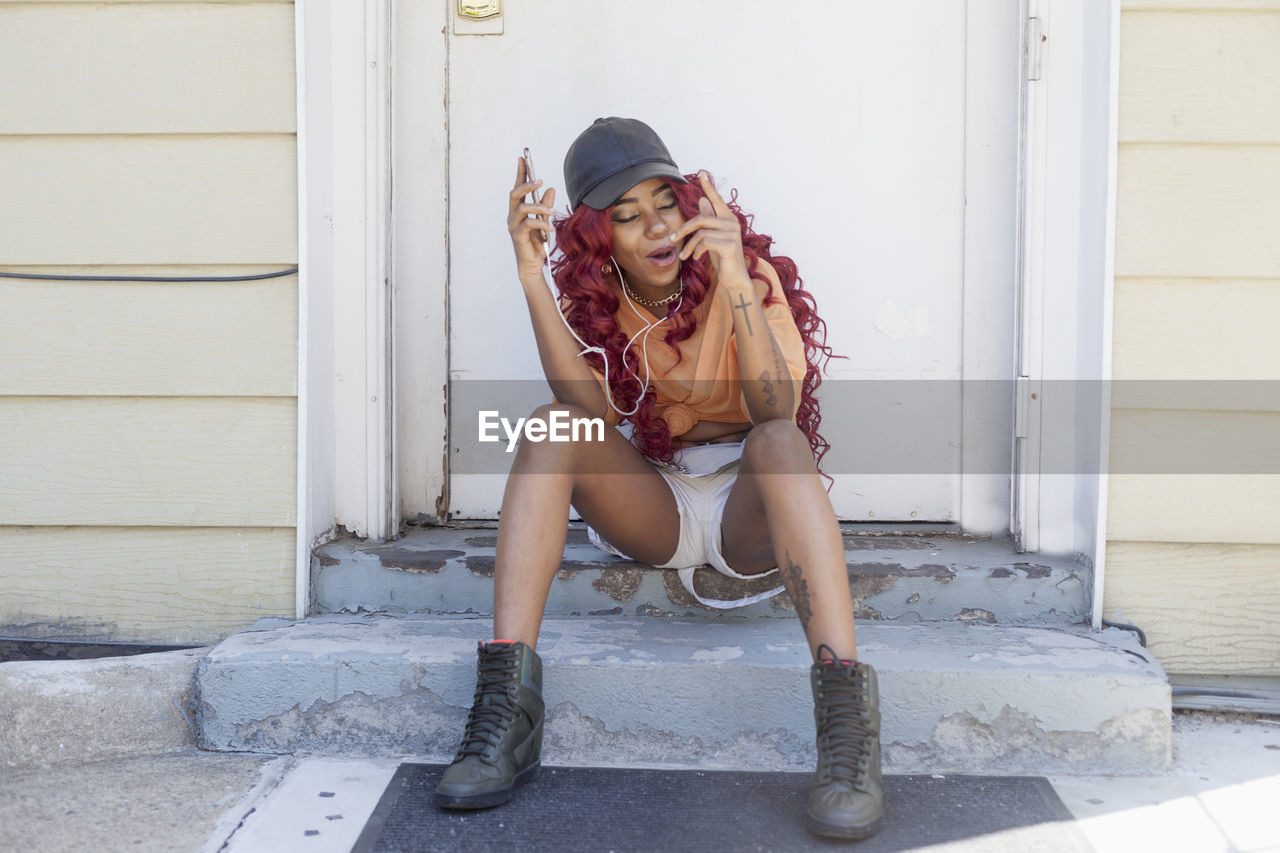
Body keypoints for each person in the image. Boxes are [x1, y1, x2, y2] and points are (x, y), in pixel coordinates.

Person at [435, 117, 883, 840]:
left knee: (778, 441)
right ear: (597, 236)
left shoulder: (744, 272)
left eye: (663, 204)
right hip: (662, 505)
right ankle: (504, 715)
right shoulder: (603, 297)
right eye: (626, 216)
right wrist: (528, 274)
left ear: (688, 202)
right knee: (553, 425)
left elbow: (777, 407)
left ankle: (846, 732)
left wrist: (735, 274)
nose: (655, 228)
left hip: (751, 507)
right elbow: (587, 420)